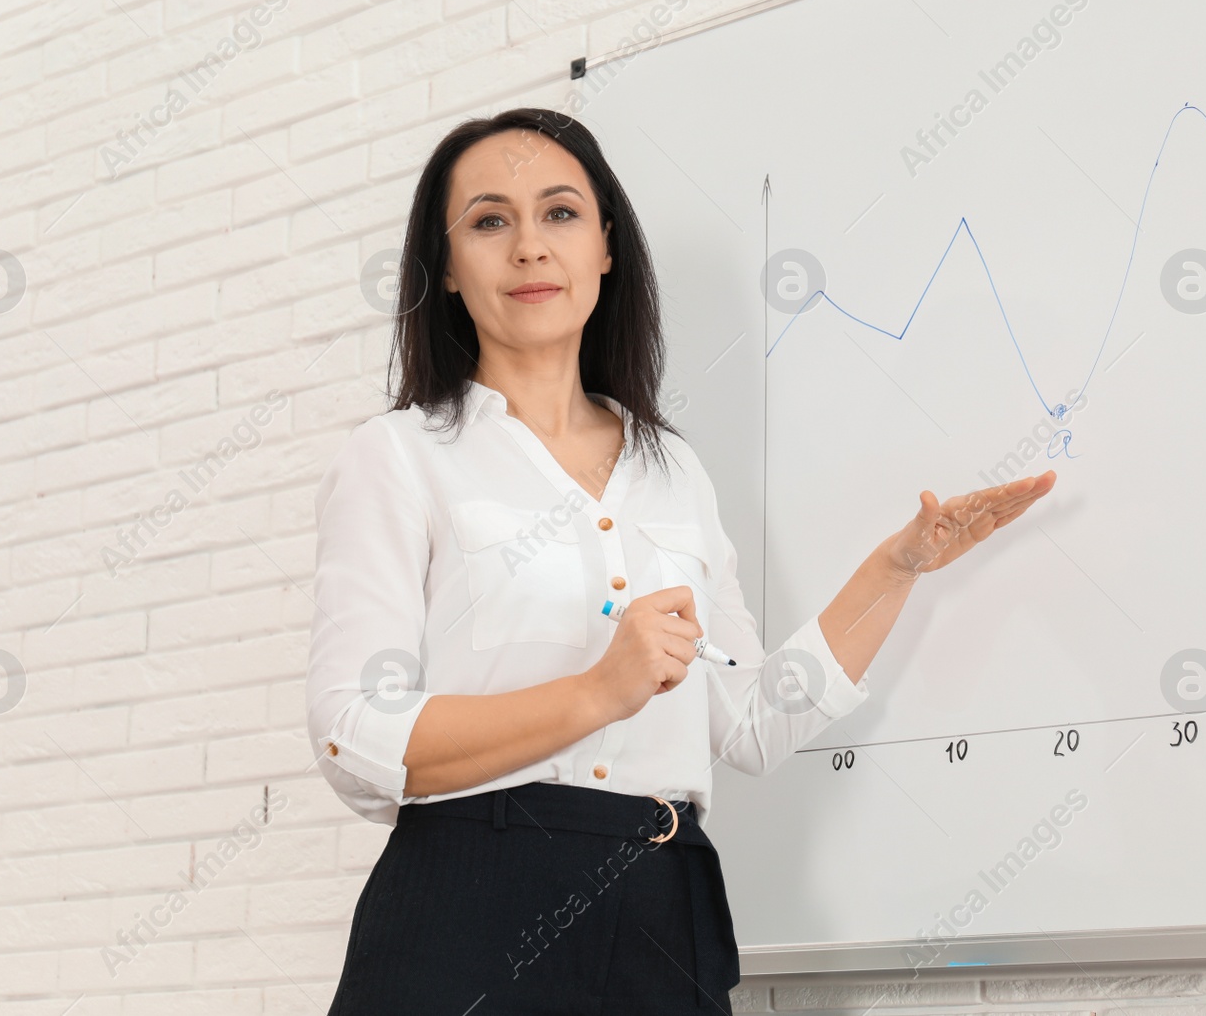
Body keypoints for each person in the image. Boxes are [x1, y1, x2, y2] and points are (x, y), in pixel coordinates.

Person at [307, 107, 1056, 1014]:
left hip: (660, 906)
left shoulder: (674, 471)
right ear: (449, 271)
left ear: (608, 247)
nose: (530, 248)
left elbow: (750, 720)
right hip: (471, 902)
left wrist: (896, 568)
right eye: (490, 221)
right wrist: (596, 692)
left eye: (560, 213)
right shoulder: (399, 457)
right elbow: (355, 732)